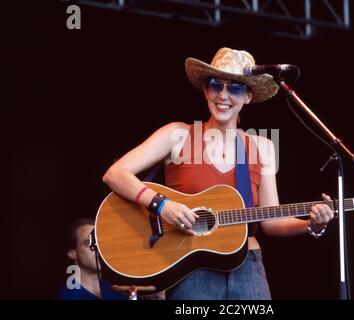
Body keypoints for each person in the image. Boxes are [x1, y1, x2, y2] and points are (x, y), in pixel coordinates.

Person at [102, 47, 334, 300]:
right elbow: (115, 173)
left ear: (248, 96)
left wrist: (312, 225)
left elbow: (271, 222)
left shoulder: (263, 147)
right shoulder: (178, 135)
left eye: (234, 87)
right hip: (190, 266)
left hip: (248, 264)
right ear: (206, 90)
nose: (223, 95)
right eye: (216, 85)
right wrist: (162, 205)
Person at [58, 218, 127, 300]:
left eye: (100, 242)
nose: (98, 249)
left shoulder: (118, 291)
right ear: (72, 253)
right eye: (89, 243)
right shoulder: (67, 297)